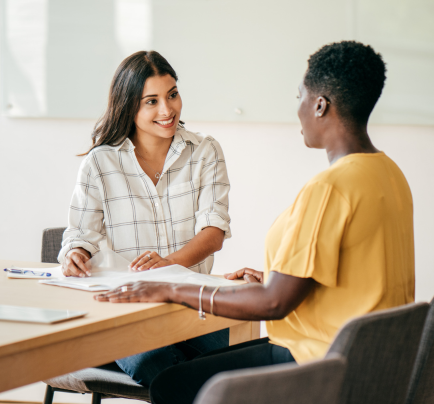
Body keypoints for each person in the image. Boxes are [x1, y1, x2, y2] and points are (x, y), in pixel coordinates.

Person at [95, 41, 415, 404]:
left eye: (300, 97)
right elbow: (358, 276)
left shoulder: (330, 189)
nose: (298, 109)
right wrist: (274, 279)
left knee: (171, 384)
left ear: (320, 105)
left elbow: (273, 305)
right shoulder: (389, 174)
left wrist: (169, 289)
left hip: (318, 363)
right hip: (371, 364)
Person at [58, 51, 232, 386]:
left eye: (172, 95)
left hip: (194, 310)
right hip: (127, 314)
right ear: (128, 106)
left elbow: (213, 232)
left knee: (235, 360)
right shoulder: (100, 163)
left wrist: (166, 266)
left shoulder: (205, 151)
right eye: (151, 101)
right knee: (159, 365)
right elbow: (79, 233)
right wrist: (75, 254)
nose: (167, 110)